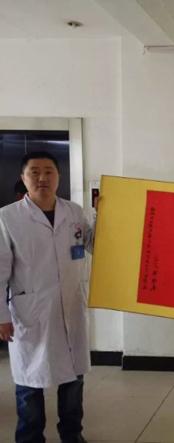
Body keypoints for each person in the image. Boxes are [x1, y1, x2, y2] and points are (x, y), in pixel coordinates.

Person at [0, 151, 94, 443]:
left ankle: (72, 434)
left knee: (74, 379)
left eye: (49, 171)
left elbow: (94, 243)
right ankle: (29, 438)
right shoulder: (7, 217)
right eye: (35, 172)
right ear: (23, 178)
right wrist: (1, 316)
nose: (42, 178)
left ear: (58, 176)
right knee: (30, 383)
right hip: (31, 311)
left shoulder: (74, 212)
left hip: (71, 307)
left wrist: (109, 216)